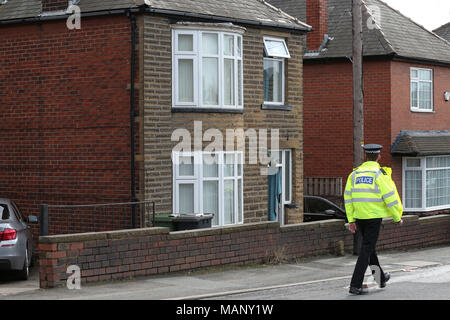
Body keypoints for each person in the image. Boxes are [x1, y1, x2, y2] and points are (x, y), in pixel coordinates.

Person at [344, 144, 403, 295]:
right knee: (366, 249)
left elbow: (348, 198)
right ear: (378, 156)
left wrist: (351, 219)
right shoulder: (379, 174)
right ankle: (355, 285)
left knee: (369, 248)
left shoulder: (354, 174)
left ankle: (380, 278)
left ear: (365, 156)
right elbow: (390, 198)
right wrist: (397, 217)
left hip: (359, 217)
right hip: (374, 218)